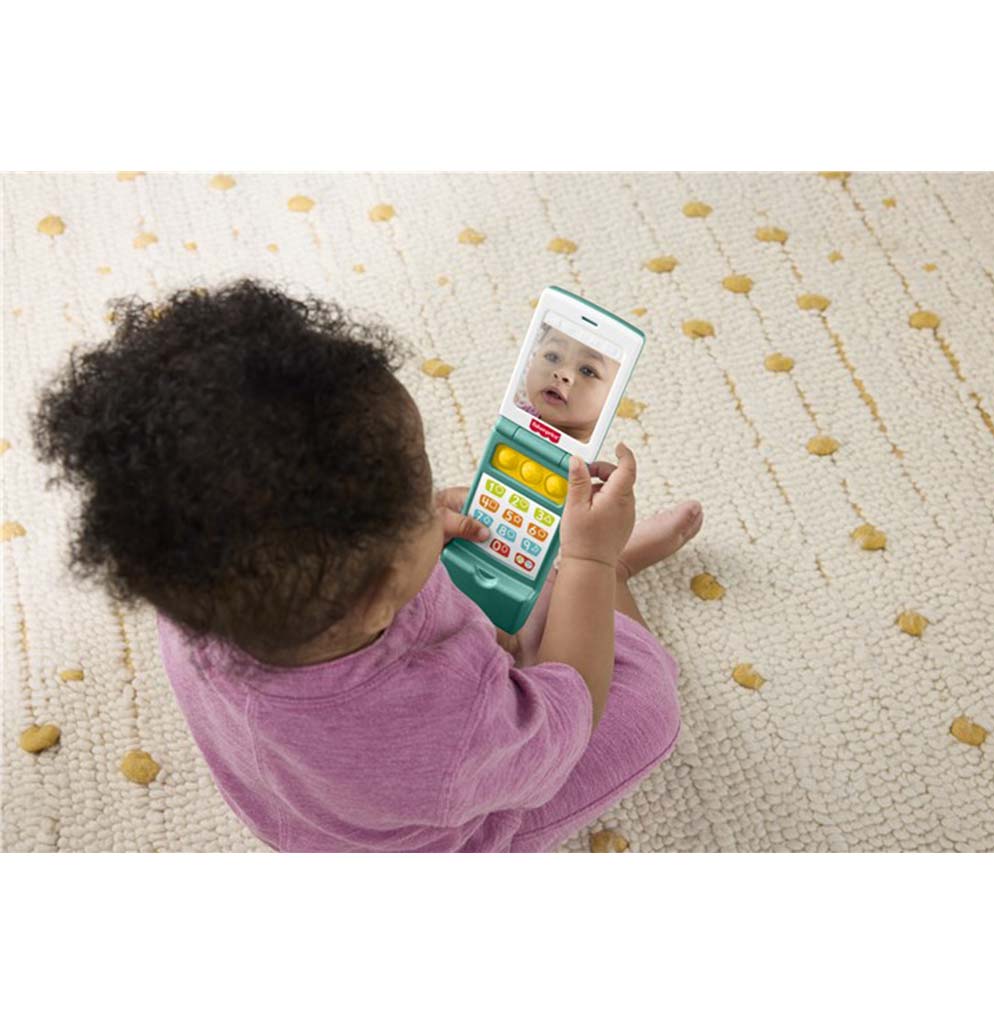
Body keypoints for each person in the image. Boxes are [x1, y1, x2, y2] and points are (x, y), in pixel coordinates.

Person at [31, 279, 703, 853]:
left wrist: (410, 536)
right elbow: (564, 722)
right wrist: (589, 558)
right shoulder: (445, 727)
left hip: (299, 808)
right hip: (443, 831)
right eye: (419, 501)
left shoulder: (197, 574)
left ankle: (556, 591)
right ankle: (604, 580)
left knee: (501, 591)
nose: (435, 502)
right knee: (647, 705)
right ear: (380, 599)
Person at [515, 324, 619, 443]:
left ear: (616, 397)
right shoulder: (516, 416)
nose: (561, 373)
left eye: (587, 371)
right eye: (552, 357)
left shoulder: (594, 453)